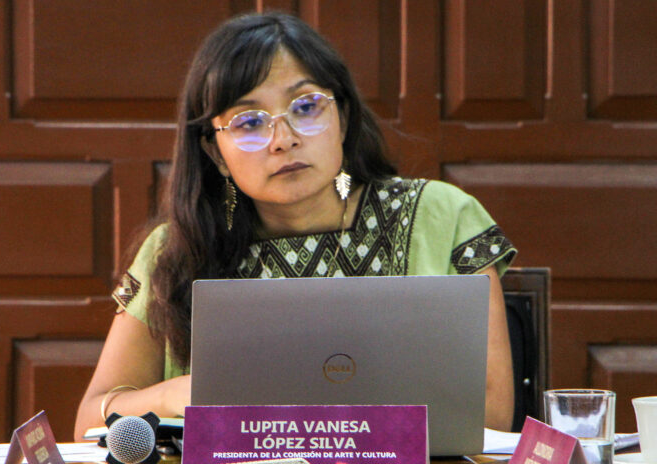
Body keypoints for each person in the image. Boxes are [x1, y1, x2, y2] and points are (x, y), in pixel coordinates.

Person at [74, 11, 517, 440]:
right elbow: (90, 421)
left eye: (306, 107)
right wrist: (174, 395)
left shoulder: (440, 218)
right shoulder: (177, 249)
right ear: (215, 153)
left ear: (342, 119)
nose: (283, 139)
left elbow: (491, 413)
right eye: (250, 122)